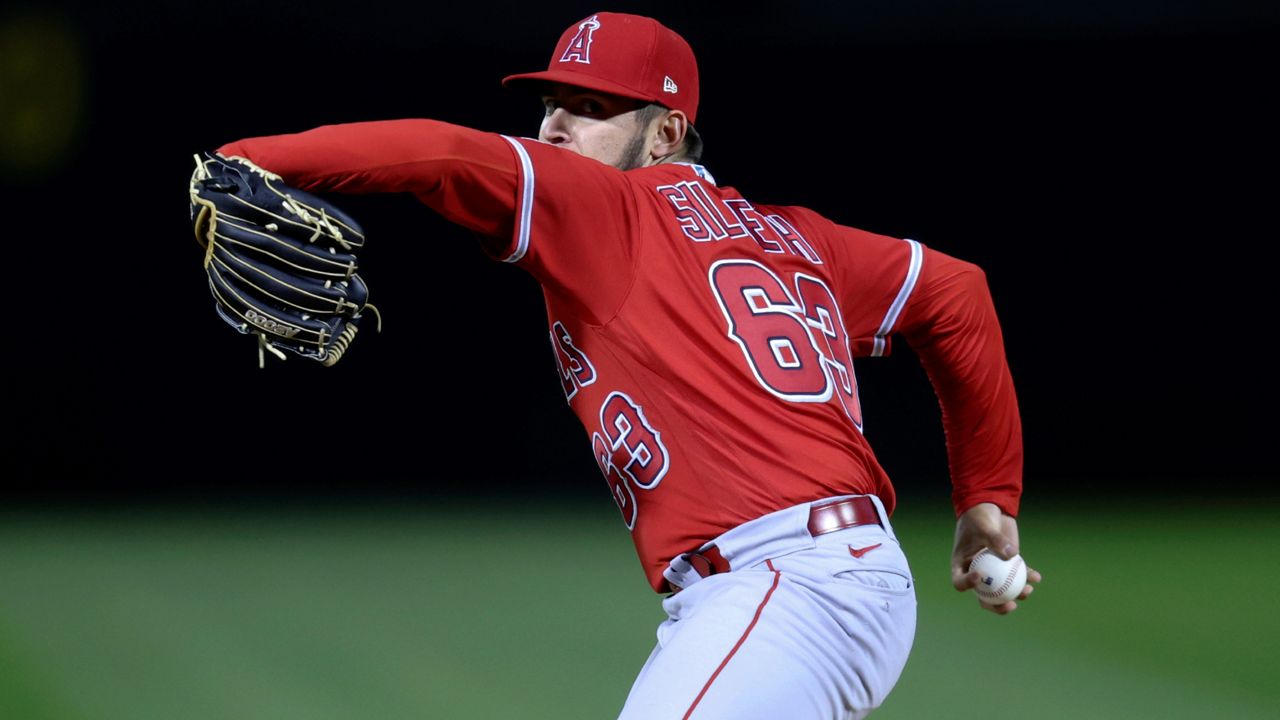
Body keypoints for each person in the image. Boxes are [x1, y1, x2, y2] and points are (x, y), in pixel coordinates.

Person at [210, 11, 1040, 719]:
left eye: (592, 106)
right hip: (793, 587)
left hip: (791, 587)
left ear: (667, 132)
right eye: (552, 104)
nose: (557, 128)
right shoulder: (800, 240)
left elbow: (444, 152)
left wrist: (247, 159)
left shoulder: (608, 207)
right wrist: (988, 502)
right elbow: (955, 292)